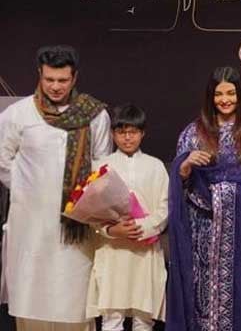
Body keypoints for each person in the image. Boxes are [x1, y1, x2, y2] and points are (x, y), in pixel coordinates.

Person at [0, 45, 111, 330]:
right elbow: (2, 160)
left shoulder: (94, 114)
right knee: (31, 300)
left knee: (74, 303)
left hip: (76, 227)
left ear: (74, 78)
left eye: (62, 80)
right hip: (31, 227)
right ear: (40, 74)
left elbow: (101, 167)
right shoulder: (18, 114)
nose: (55, 86)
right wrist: (28, 190)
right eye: (49, 79)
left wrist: (79, 202)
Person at [167, 66, 241, 331]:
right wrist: (184, 166)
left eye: (231, 93)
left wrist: (223, 195)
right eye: (219, 94)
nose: (225, 100)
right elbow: (182, 183)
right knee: (205, 302)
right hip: (205, 234)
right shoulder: (194, 133)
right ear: (211, 96)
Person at [85, 104, 168, 330]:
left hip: (145, 251)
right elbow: (92, 212)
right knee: (112, 318)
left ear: (143, 133)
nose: (127, 138)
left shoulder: (156, 166)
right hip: (112, 252)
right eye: (121, 132)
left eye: (133, 132)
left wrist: (141, 227)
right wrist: (112, 230)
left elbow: (164, 208)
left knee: (143, 319)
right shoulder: (102, 166)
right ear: (113, 134)